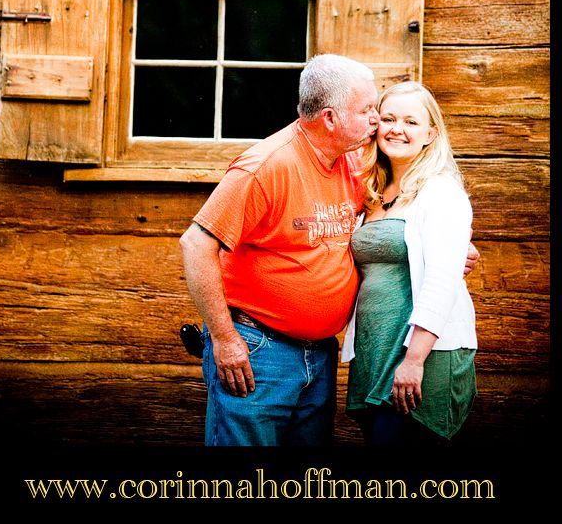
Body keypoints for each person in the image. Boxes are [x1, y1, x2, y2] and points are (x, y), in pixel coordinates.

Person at [179, 54, 479, 447]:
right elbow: (195, 243)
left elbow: (395, 225)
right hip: (259, 351)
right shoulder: (266, 166)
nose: (378, 121)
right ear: (330, 118)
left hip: (319, 355)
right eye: (369, 110)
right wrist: (224, 338)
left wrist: (451, 246)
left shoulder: (352, 163)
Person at [342, 80, 477, 447]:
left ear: (431, 133)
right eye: (388, 118)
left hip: (423, 355)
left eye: (411, 122)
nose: (397, 129)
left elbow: (439, 282)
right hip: (375, 351)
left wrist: (415, 360)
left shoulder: (440, 191)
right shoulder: (370, 192)